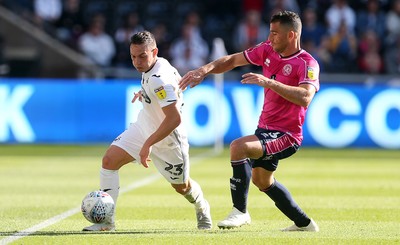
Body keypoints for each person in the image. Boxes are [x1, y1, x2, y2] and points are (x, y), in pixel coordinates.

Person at [179, 10, 320, 232]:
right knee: (262, 181)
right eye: (270, 32)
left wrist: (269, 83)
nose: (270, 37)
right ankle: (305, 223)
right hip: (265, 129)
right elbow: (233, 60)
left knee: (238, 147)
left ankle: (240, 212)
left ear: (291, 35)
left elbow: (305, 97)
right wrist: (203, 71)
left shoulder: (307, 63)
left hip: (287, 135)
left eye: (275, 33)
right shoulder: (266, 49)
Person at [83, 31, 212, 231]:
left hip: (169, 140)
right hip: (144, 126)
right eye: (133, 56)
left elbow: (174, 118)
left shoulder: (159, 79)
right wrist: (145, 94)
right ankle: (107, 223)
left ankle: (201, 205)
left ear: (154, 52)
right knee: (109, 161)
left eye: (142, 56)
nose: (137, 62)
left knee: (182, 187)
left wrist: (148, 144)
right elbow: (174, 89)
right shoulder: (157, 65)